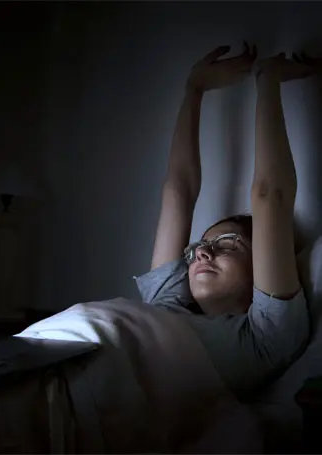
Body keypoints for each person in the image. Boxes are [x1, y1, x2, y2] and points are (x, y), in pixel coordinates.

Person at [134, 42, 320, 400]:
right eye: (200, 247)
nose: (202, 253)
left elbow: (270, 196)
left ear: (261, 266)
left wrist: (269, 82)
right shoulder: (168, 302)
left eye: (225, 244)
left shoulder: (267, 335)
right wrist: (194, 90)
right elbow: (178, 191)